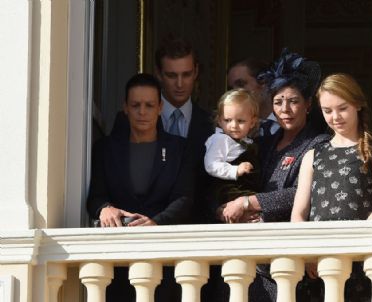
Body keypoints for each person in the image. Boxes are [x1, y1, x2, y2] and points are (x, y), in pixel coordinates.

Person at [217, 49, 329, 302]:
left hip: (288, 263)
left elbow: (304, 193)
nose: (285, 109)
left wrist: (250, 203)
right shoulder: (265, 142)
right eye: (278, 102)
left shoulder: (318, 143)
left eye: (293, 101)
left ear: (308, 104)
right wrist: (227, 204)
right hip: (252, 259)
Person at [87, 73, 194, 302]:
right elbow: (95, 197)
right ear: (125, 107)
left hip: (166, 260)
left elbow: (184, 198)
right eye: (136, 105)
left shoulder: (180, 149)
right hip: (117, 261)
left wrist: (157, 222)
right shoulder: (105, 149)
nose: (142, 112)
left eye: (149, 105)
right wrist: (104, 208)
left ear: (160, 108)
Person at [291, 73, 372, 302]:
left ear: (357, 104)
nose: (335, 117)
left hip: (359, 260)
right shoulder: (313, 155)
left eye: (342, 108)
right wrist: (307, 253)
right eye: (327, 111)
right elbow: (299, 213)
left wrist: (359, 245)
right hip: (319, 263)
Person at [155, 36, 214, 224]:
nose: (180, 84)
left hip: (198, 230)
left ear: (196, 72)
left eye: (186, 74)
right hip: (146, 226)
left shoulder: (213, 125)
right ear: (159, 74)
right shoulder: (135, 119)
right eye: (172, 75)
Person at [204, 89, 261, 220]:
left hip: (244, 190)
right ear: (219, 120)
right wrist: (235, 170)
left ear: (252, 122)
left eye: (240, 121)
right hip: (228, 191)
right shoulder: (220, 139)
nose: (233, 125)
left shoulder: (247, 142)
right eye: (227, 120)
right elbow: (211, 164)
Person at [227, 58, 280, 136]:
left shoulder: (292, 120)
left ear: (263, 81)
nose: (235, 93)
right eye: (231, 88)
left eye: (241, 84)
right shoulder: (235, 128)